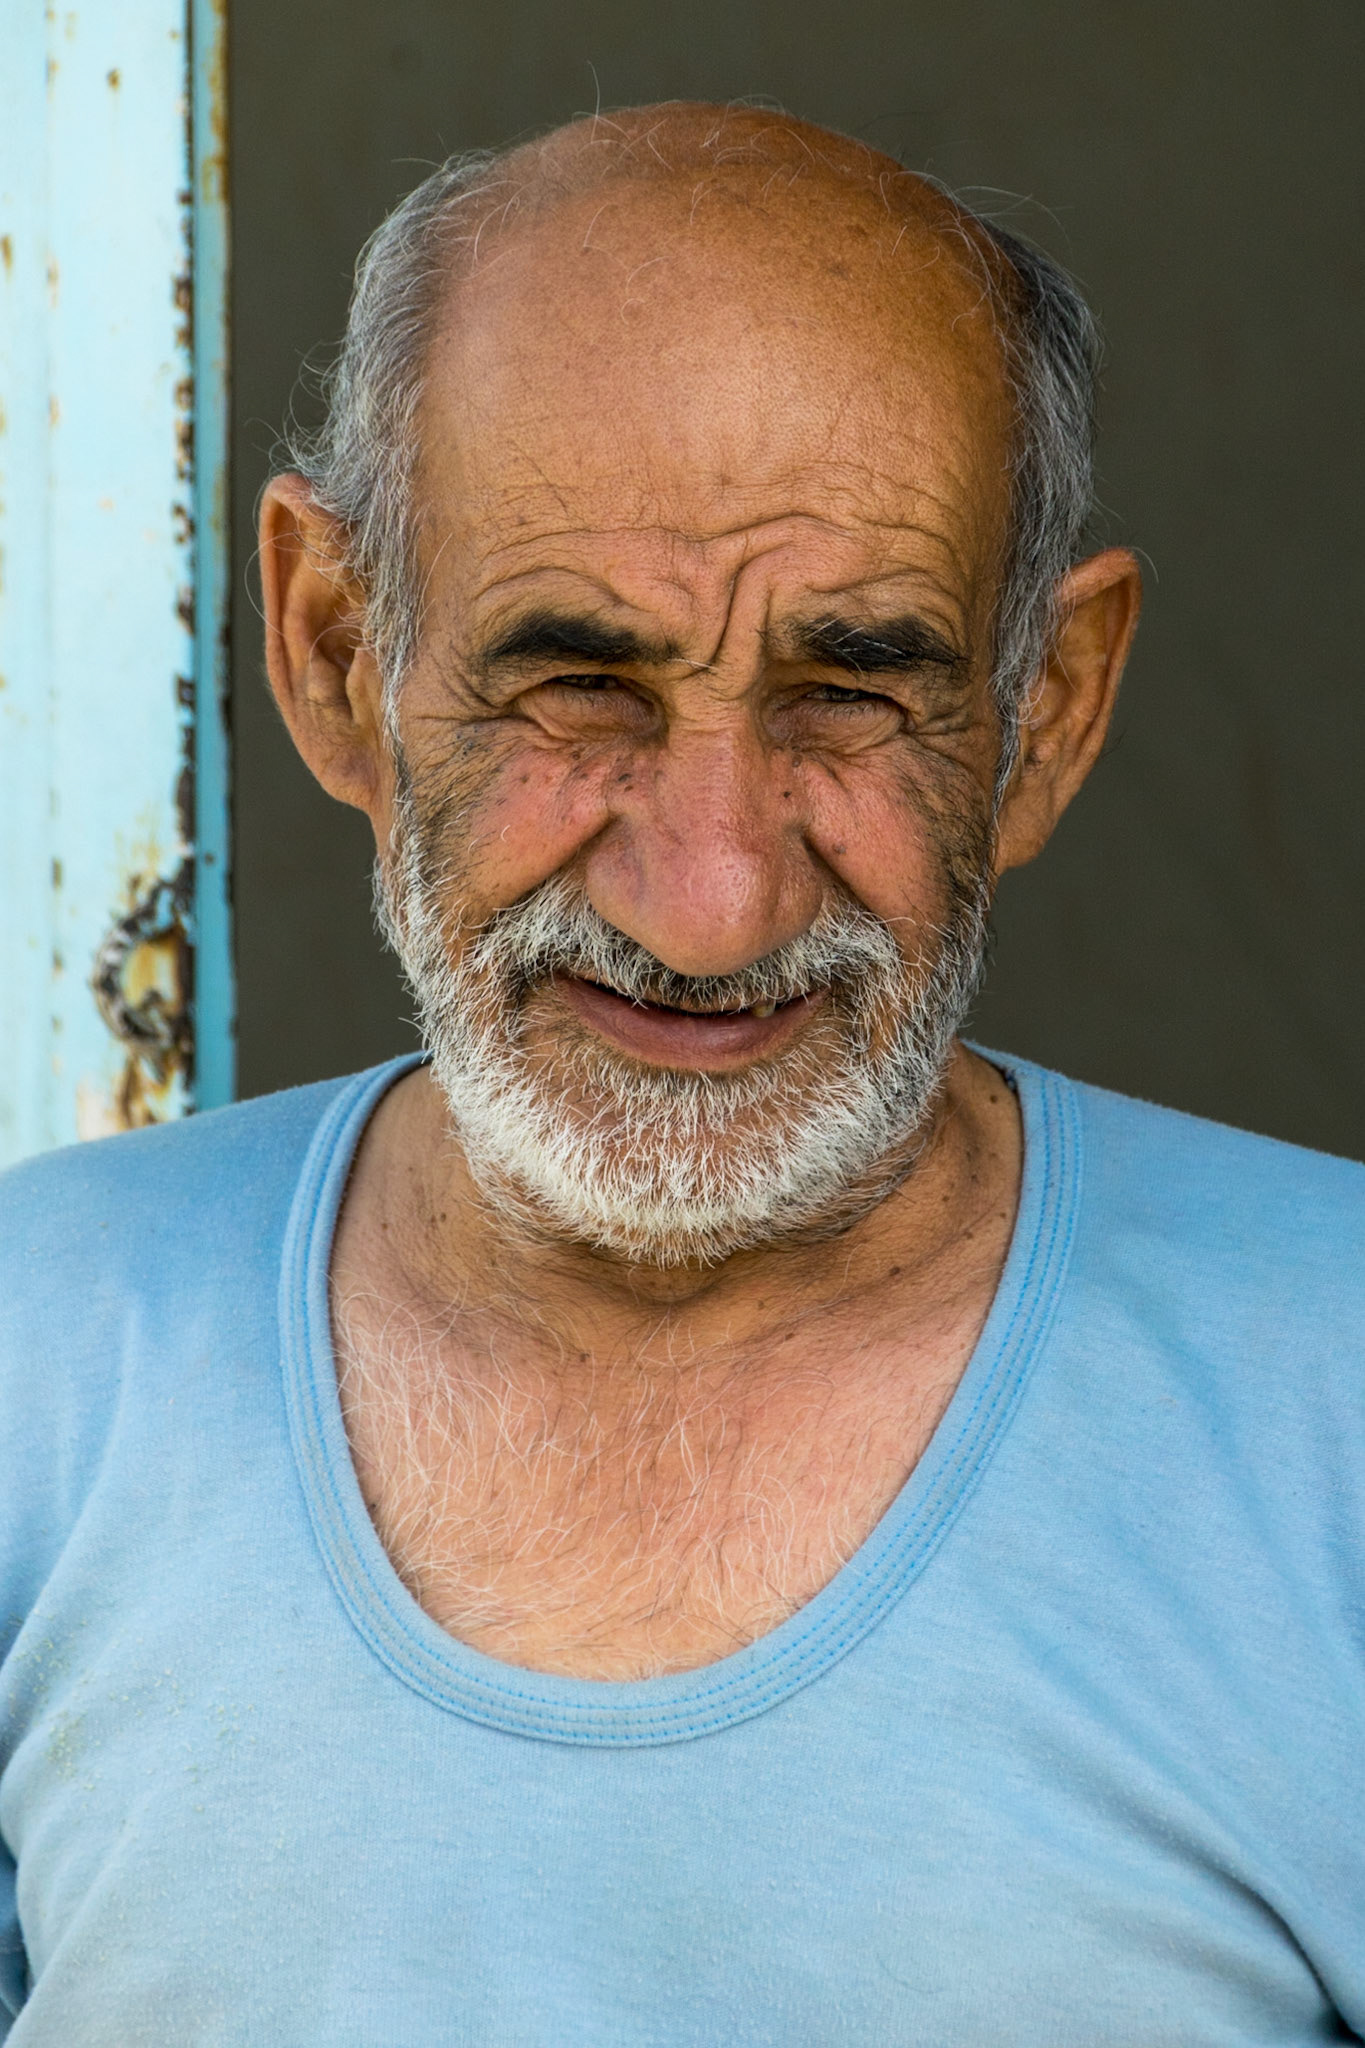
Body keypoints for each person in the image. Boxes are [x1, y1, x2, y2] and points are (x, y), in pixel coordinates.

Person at [1, 101, 1361, 2045]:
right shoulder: (34, 1357)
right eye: (576, 685)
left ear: (1041, 715)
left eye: (852, 694)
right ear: (334, 652)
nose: (712, 904)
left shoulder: (1333, 1402)